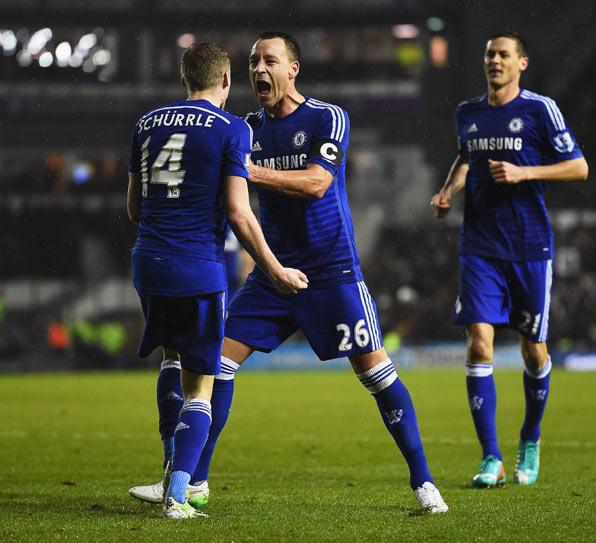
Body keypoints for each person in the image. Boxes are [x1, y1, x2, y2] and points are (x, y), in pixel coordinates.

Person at [130, 31, 448, 514]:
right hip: (270, 275)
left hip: (332, 270)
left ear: (293, 69)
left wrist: (245, 170)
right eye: (254, 61)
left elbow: (318, 183)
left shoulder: (326, 117)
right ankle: (193, 481)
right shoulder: (244, 127)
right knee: (215, 366)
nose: (260, 69)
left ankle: (424, 482)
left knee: (377, 375)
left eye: (271, 61)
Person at [127, 41, 307, 519]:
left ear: (185, 78)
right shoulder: (232, 129)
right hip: (197, 266)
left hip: (147, 261)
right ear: (226, 80)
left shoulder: (145, 124)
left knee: (171, 356)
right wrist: (274, 268)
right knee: (202, 383)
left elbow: (133, 207)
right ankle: (179, 494)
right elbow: (238, 212)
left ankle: (167, 469)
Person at [430, 33, 588, 488]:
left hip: (529, 247)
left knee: (532, 349)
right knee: (479, 342)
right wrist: (448, 192)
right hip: (479, 245)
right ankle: (491, 458)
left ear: (522, 63)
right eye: (489, 55)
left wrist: (526, 171)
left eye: (503, 55)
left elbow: (579, 167)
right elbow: (465, 158)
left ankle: (531, 439)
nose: (495, 60)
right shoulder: (468, 113)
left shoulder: (540, 110)